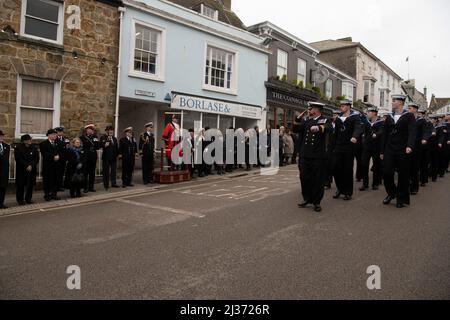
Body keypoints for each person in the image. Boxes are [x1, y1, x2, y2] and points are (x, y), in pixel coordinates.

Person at [294, 102, 333, 212]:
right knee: (304, 178)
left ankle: (316, 202)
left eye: (311, 108)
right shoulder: (306, 120)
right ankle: (307, 198)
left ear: (317, 109)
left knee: (317, 180)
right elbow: (296, 130)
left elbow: (329, 128)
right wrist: (297, 119)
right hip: (305, 154)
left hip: (318, 156)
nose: (309, 110)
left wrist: (319, 128)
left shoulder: (325, 119)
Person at [380, 94, 417, 208]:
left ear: (400, 102)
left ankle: (401, 199)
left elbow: (412, 132)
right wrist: (382, 151)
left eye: (394, 100)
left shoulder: (409, 116)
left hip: (403, 149)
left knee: (403, 175)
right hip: (390, 148)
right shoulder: (389, 116)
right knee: (387, 172)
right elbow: (384, 134)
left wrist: (410, 145)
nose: (392, 102)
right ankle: (392, 193)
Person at [332, 99, 363, 201]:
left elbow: (358, 128)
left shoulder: (355, 117)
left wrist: (355, 136)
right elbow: (335, 134)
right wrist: (332, 147)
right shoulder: (338, 118)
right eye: (340, 105)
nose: (341, 107)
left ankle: (348, 192)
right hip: (338, 146)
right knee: (335, 168)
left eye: (344, 105)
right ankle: (340, 188)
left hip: (349, 146)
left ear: (349, 106)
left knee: (347, 170)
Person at [409, 105, 432, 194]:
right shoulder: (408, 119)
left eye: (410, 108)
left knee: (415, 167)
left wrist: (424, 139)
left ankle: (414, 188)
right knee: (407, 167)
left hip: (417, 147)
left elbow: (426, 131)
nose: (408, 110)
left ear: (416, 110)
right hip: (407, 146)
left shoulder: (422, 121)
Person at [359, 107, 383, 191]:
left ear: (374, 113)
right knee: (364, 164)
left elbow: (382, 130)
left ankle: (375, 183)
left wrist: (377, 134)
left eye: (369, 112)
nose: (367, 114)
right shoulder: (366, 122)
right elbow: (362, 130)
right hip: (366, 146)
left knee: (376, 165)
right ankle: (365, 184)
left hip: (376, 147)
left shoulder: (381, 122)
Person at [14, 134, 39, 205]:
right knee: (20, 185)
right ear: (24, 141)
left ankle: (28, 199)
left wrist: (31, 165)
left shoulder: (34, 147)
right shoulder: (18, 148)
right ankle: (20, 200)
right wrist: (26, 165)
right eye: (28, 139)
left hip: (32, 169)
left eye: (30, 139)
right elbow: (18, 159)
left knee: (30, 185)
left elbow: (36, 158)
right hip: (22, 170)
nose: (30, 140)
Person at [40, 129, 61, 201]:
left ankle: (54, 194)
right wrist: (53, 157)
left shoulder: (58, 143)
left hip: (57, 165)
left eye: (56, 134)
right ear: (49, 135)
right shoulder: (43, 144)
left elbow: (62, 151)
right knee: (47, 180)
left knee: (55, 180)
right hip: (48, 166)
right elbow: (44, 154)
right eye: (54, 134)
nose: (55, 135)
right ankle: (47, 194)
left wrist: (59, 156)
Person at [80, 124, 101, 193]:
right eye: (89, 129)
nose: (91, 131)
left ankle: (91, 187)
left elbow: (98, 146)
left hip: (93, 157)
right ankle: (85, 187)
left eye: (92, 130)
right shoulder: (82, 137)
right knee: (85, 173)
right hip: (86, 157)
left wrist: (97, 142)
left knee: (92, 173)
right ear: (86, 130)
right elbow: (81, 147)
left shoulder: (95, 137)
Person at [100, 126, 119, 190]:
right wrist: (105, 144)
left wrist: (117, 155)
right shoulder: (103, 137)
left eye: (112, 130)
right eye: (109, 130)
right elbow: (101, 145)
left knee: (113, 171)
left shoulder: (114, 138)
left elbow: (116, 148)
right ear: (107, 131)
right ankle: (106, 184)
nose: (111, 132)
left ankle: (113, 183)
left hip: (113, 157)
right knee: (106, 172)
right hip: (106, 157)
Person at [55, 127, 70, 191]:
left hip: (64, 158)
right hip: (57, 158)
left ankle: (60, 186)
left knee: (61, 173)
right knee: (56, 173)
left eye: (61, 132)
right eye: (59, 132)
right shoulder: (55, 139)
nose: (60, 133)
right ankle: (56, 186)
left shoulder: (65, 139)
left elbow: (68, 146)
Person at [0, 130, 10, 209]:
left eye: (2, 135)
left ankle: (1, 203)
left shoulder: (7, 146)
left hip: (4, 171)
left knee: (3, 187)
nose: (1, 137)